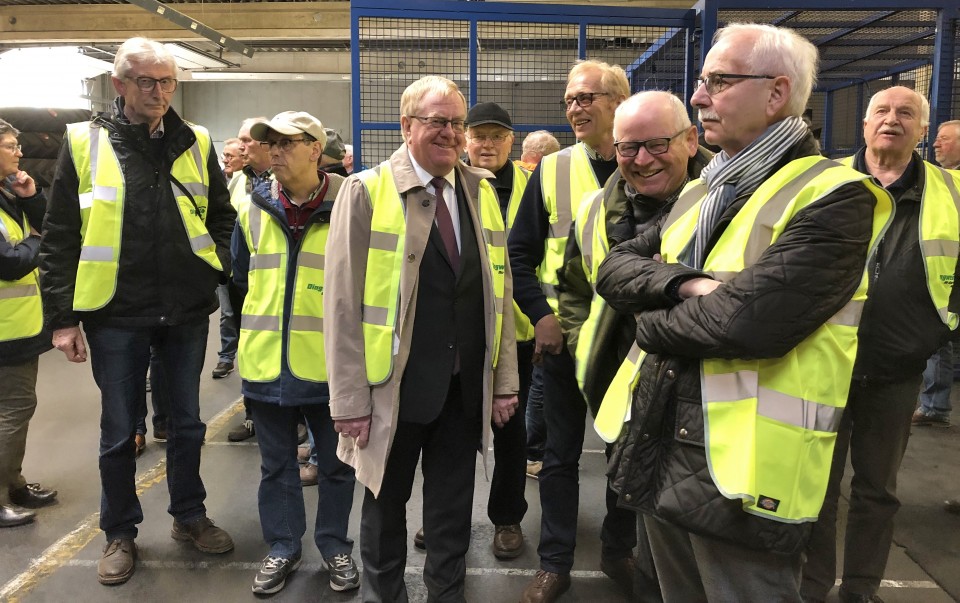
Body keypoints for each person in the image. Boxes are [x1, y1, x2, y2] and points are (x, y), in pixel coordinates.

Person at [594, 23, 892, 602]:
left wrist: (648, 319)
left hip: (746, 479)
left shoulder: (836, 195)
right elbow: (614, 269)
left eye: (717, 82)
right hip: (663, 443)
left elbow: (745, 324)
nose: (699, 97)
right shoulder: (707, 187)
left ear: (776, 93)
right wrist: (685, 285)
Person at [40, 37, 237, 586]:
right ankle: (120, 532)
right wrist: (62, 318)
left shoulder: (194, 139)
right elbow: (59, 235)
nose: (159, 92)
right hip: (115, 311)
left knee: (189, 424)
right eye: (146, 81)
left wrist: (214, 263)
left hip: (185, 307)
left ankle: (189, 516)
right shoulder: (84, 141)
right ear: (120, 85)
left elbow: (221, 214)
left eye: (167, 81)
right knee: (119, 428)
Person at [324, 75, 519, 602]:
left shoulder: (479, 190)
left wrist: (503, 382)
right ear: (407, 126)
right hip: (392, 388)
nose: (452, 133)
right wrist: (348, 399)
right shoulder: (365, 191)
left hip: (462, 388)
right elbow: (340, 306)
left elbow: (496, 293)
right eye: (438, 121)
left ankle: (446, 595)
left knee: (453, 513)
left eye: (457, 123)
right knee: (385, 511)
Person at [801, 87, 960, 603]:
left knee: (877, 492)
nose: (892, 121)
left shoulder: (951, 192)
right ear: (865, 126)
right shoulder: (823, 182)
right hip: (821, 365)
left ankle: (861, 591)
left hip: (896, 371)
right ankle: (812, 585)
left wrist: (937, 330)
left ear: (922, 132)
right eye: (882, 113)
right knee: (816, 492)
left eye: (906, 114)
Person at [559, 90, 712, 601]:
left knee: (692, 521)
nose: (642, 160)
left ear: (691, 140)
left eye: (656, 144)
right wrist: (586, 348)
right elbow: (574, 287)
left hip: (703, 387)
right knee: (627, 482)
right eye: (629, 149)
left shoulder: (727, 197)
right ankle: (621, 558)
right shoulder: (595, 209)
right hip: (616, 378)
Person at [509, 59, 637, 603]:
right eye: (570, 100)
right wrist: (540, 316)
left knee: (625, 455)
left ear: (618, 102)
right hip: (564, 342)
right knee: (558, 457)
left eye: (587, 97)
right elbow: (520, 253)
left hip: (633, 348)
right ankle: (555, 560)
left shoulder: (655, 162)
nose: (576, 108)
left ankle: (618, 550)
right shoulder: (553, 170)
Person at [233, 111, 359, 594]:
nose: (276, 152)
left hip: (331, 368)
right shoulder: (253, 208)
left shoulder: (351, 206)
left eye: (288, 143)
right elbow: (242, 280)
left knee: (336, 466)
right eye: (271, 145)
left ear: (315, 149)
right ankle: (283, 546)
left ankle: (335, 547)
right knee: (276, 467)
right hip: (266, 362)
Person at [413, 101, 534, 560]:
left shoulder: (529, 184)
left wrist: (539, 319)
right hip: (458, 333)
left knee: (510, 431)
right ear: (467, 139)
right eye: (478, 135)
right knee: (446, 432)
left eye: (496, 136)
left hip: (515, 332)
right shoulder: (448, 185)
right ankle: (443, 516)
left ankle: (507, 518)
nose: (485, 143)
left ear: (511, 140)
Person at [0, 121, 57, 528]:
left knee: (17, 407)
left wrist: (32, 197)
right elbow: (11, 261)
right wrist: (36, 241)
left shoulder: (7, 194)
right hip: (5, 330)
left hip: (18, 325)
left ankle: (14, 483)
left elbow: (46, 225)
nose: (19, 153)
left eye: (20, 145)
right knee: (12, 410)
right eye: (10, 146)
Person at [224, 116, 271, 440]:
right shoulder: (240, 180)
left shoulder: (283, 180)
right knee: (248, 348)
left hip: (274, 281)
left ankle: (291, 417)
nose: (241, 146)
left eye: (248, 140)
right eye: (240, 139)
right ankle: (254, 415)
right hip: (243, 281)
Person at [912, 120, 960, 429]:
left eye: (944, 139)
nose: (936, 144)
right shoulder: (938, 177)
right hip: (941, 270)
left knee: (939, 336)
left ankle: (934, 406)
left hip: (949, 273)